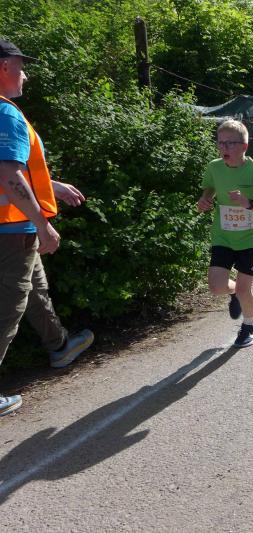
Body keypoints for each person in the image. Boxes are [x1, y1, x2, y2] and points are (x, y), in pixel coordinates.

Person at [0, 40, 94, 417]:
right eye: (21, 66)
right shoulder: (6, 112)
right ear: (4, 66)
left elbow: (13, 171)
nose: (25, 74)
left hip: (12, 225)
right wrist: (42, 225)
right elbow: (8, 175)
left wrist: (50, 186)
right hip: (12, 228)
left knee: (35, 289)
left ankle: (60, 346)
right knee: (9, 306)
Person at [197, 120, 253, 348]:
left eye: (230, 143)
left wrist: (248, 203)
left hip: (251, 238)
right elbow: (210, 187)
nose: (224, 148)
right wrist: (205, 199)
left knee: (245, 289)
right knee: (216, 287)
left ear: (244, 146)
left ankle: (250, 325)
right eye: (220, 143)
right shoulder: (214, 167)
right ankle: (234, 293)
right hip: (223, 235)